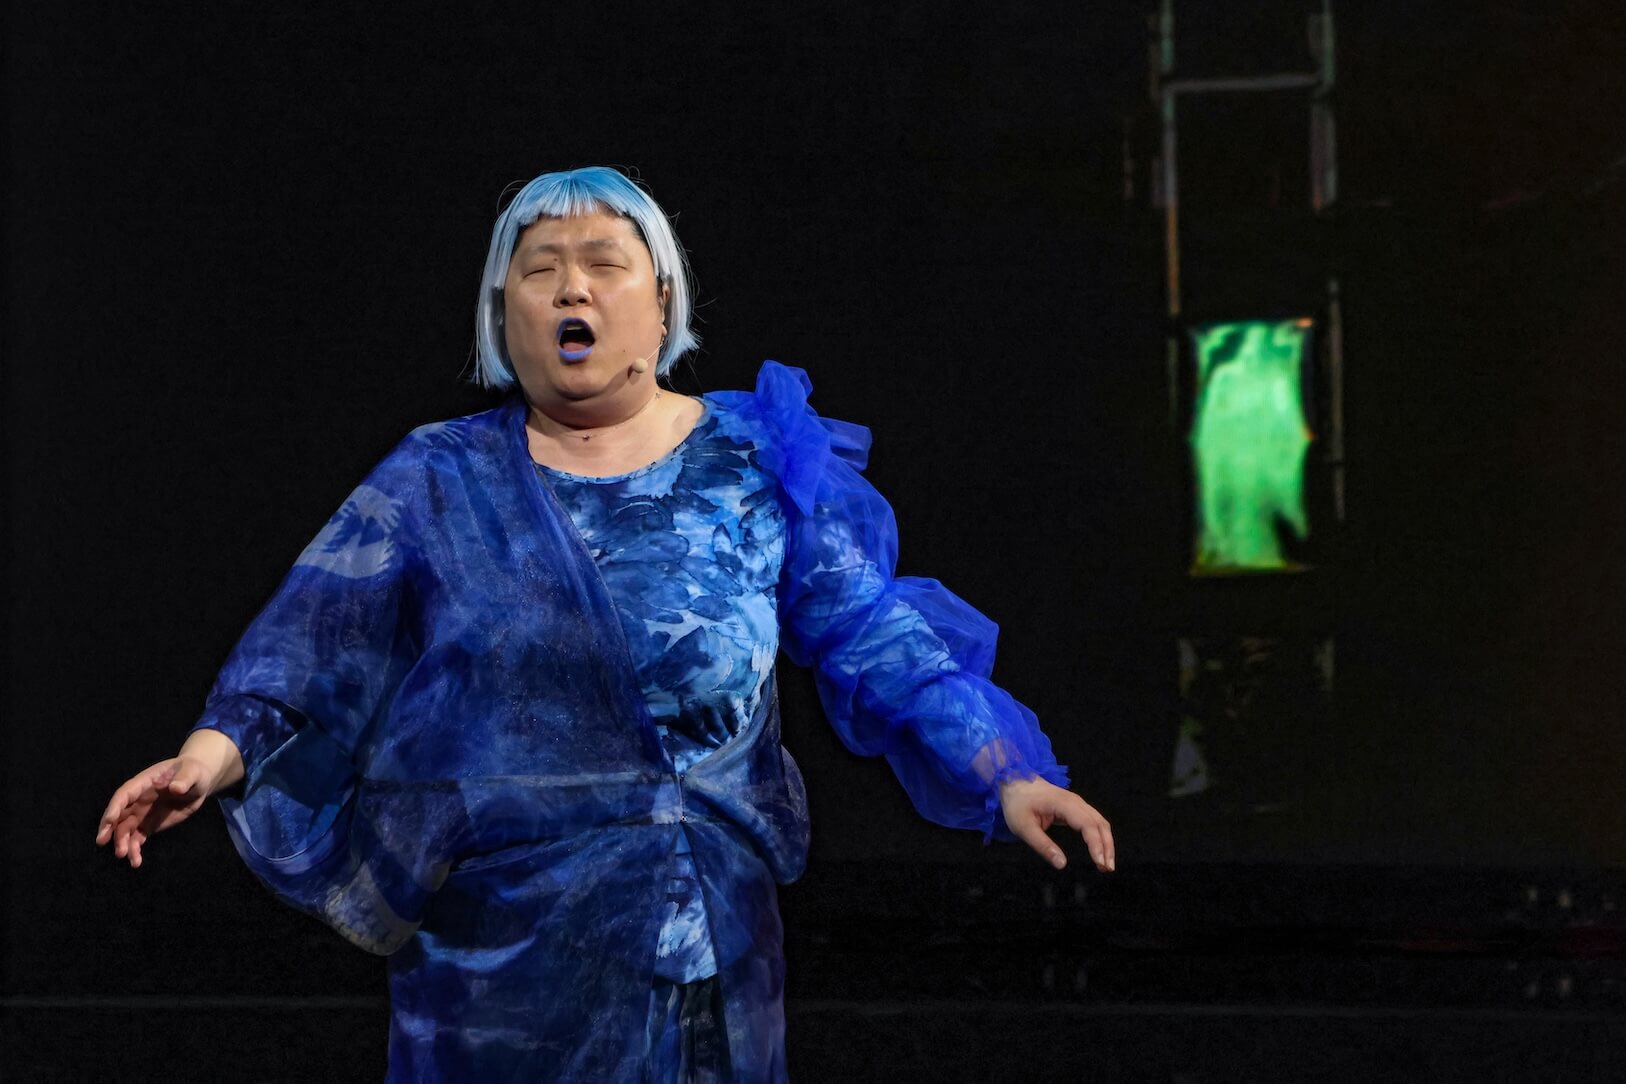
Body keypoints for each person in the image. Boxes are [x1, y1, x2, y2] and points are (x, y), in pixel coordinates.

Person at [95, 166, 1116, 1082]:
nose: (571, 290)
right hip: (500, 971)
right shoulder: (436, 478)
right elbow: (310, 646)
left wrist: (1004, 772)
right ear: (506, 311)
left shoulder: (751, 463)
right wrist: (207, 757)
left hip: (712, 949)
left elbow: (871, 632)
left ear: (661, 297)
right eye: (540, 270)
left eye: (602, 264)